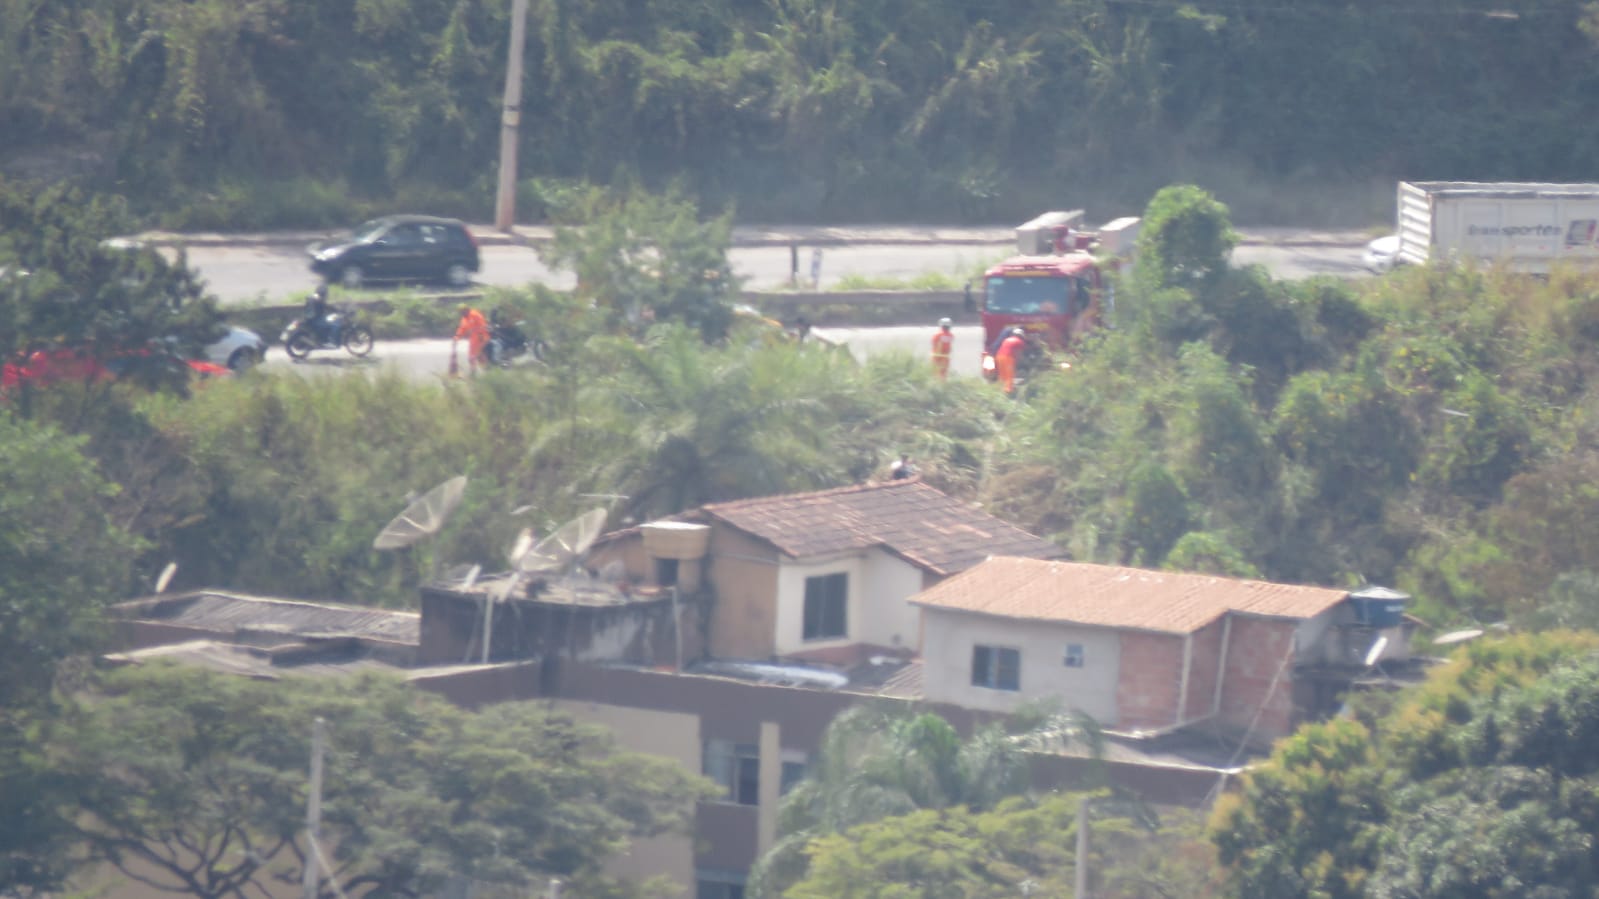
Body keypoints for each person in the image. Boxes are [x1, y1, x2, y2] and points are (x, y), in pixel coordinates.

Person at [452, 303, 490, 375]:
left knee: (475, 356)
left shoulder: (475, 315)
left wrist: (481, 335)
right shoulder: (464, 318)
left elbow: (482, 325)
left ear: (467, 309)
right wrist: (457, 337)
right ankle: (480, 370)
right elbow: (462, 328)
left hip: (481, 338)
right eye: (460, 312)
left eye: (463, 311)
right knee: (476, 356)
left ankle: (478, 371)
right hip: (473, 339)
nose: (462, 313)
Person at [995, 327, 1027, 395]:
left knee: (1003, 375)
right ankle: (1008, 392)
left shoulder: (1007, 339)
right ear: (1021, 336)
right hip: (1008, 358)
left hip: (999, 356)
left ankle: (1000, 391)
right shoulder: (1020, 341)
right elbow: (1019, 354)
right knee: (1010, 376)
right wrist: (1021, 363)